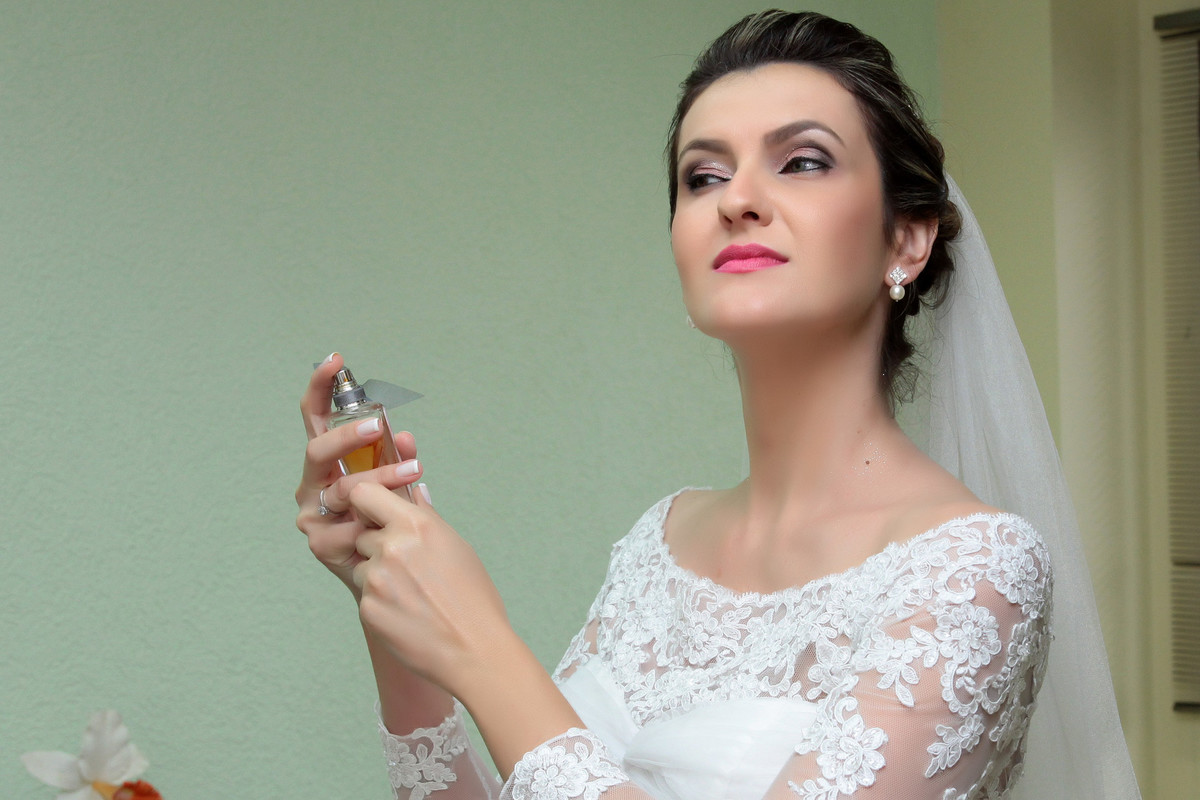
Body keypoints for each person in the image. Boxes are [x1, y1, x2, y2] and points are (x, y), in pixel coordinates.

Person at [295, 10, 1140, 799]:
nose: (737, 199)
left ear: (907, 237)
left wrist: (484, 651)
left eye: (802, 161)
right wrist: (393, 597)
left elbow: (523, 716)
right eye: (703, 176)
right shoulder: (657, 545)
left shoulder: (975, 569)